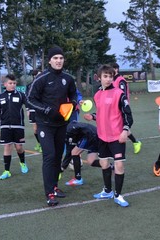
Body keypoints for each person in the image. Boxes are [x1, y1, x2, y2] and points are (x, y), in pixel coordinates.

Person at [27, 46, 77, 207]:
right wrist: (46, 110)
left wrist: (74, 103)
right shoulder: (42, 78)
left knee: (57, 157)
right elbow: (30, 99)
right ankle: (49, 193)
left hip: (62, 124)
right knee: (49, 156)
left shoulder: (68, 78)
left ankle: (55, 187)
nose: (58, 61)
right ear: (49, 60)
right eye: (55, 58)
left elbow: (74, 94)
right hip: (45, 125)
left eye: (61, 58)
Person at [84, 64, 133, 207]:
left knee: (119, 165)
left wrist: (125, 131)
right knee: (104, 164)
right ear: (99, 78)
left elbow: (128, 115)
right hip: (102, 136)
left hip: (117, 137)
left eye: (110, 76)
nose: (108, 79)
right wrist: (92, 117)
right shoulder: (97, 95)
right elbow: (102, 113)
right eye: (105, 76)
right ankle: (107, 191)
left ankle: (118, 195)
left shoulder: (119, 94)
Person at [0, 74, 28, 180]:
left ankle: (22, 163)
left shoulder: (21, 95)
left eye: (14, 83)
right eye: (10, 83)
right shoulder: (0, 96)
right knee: (7, 147)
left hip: (18, 126)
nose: (13, 85)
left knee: (19, 147)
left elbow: (28, 104)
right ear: (5, 84)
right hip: (4, 126)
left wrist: (28, 110)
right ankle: (7, 171)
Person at [111, 62, 142, 154]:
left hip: (121, 107)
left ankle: (135, 142)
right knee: (120, 126)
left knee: (121, 126)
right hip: (113, 107)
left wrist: (120, 106)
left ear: (116, 69)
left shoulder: (121, 81)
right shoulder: (111, 80)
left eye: (113, 69)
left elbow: (122, 95)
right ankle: (135, 142)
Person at [63, 120, 101, 186]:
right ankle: (111, 166)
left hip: (92, 136)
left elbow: (70, 151)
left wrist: (62, 167)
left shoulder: (68, 130)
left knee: (74, 152)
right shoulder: (70, 127)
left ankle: (78, 179)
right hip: (96, 134)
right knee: (91, 161)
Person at [26, 69, 42, 153]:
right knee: (35, 129)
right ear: (34, 76)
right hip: (32, 110)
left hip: (41, 110)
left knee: (43, 127)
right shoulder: (29, 86)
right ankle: (39, 143)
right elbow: (27, 99)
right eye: (38, 75)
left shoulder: (44, 85)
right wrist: (28, 109)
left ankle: (43, 144)